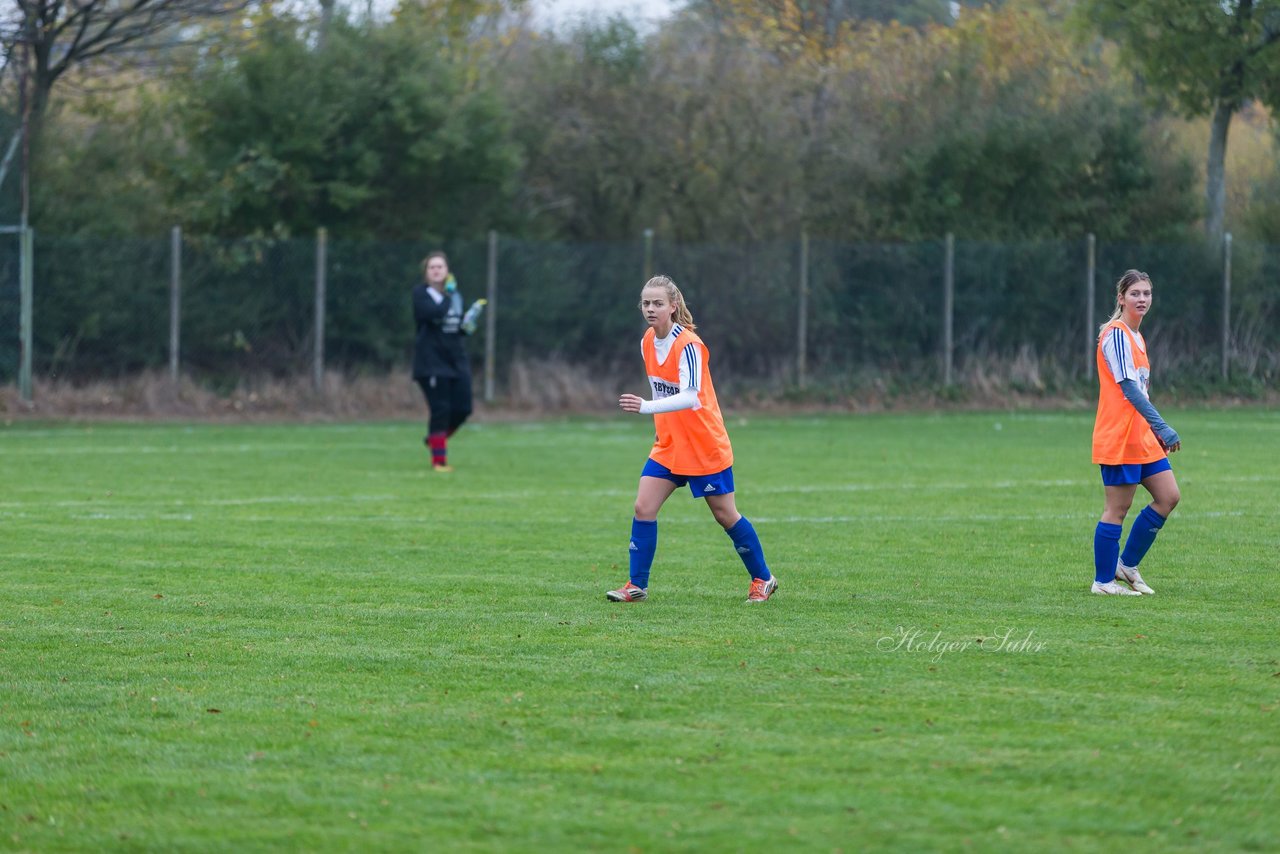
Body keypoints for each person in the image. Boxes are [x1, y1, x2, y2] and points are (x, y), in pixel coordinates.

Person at [607, 275, 779, 604]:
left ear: (673, 307)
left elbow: (690, 396)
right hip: (670, 445)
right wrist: (659, 425)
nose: (650, 309)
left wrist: (646, 407)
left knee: (725, 515)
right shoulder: (647, 341)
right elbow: (661, 387)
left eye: (658, 303)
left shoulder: (689, 345)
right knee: (643, 507)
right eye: (645, 303)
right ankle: (636, 585)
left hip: (703, 445)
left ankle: (763, 578)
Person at [1090, 269, 1181, 596]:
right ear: (1121, 298)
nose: (1142, 299)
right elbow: (1129, 388)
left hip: (1141, 436)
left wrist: (1152, 430)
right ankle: (1102, 582)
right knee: (1117, 509)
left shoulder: (1137, 337)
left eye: (1146, 293)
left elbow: (1141, 392)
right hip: (1120, 437)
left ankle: (1126, 565)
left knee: (1168, 496)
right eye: (1135, 294)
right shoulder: (1115, 334)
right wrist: (1163, 427)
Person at [412, 251, 486, 472]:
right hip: (432, 362)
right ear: (426, 273)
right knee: (440, 409)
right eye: (432, 267)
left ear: (447, 271)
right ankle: (439, 461)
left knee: (463, 408)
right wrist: (448, 295)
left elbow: (458, 328)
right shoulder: (421, 294)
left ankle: (435, 440)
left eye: (440, 267)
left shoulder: (455, 296)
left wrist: (469, 322)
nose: (436, 270)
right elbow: (434, 314)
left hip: (456, 361)